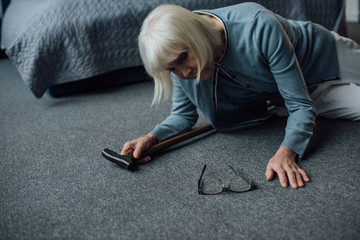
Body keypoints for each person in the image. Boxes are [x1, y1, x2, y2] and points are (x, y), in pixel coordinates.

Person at [121, 3, 360, 189]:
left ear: (195, 33)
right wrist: (154, 137)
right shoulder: (178, 63)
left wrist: (287, 151)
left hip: (327, 55)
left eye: (183, 58)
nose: (184, 73)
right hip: (306, 97)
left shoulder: (257, 25)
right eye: (172, 69)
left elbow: (299, 105)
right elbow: (182, 116)